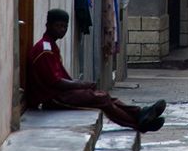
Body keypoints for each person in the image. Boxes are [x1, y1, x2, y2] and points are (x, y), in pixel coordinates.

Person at [27, 8, 166, 133]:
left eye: (65, 26)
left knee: (103, 95)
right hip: (53, 98)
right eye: (58, 26)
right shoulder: (45, 50)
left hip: (61, 93)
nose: (62, 30)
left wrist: (81, 85)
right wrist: (81, 85)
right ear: (48, 25)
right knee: (102, 99)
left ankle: (141, 113)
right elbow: (55, 82)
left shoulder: (51, 46)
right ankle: (137, 123)